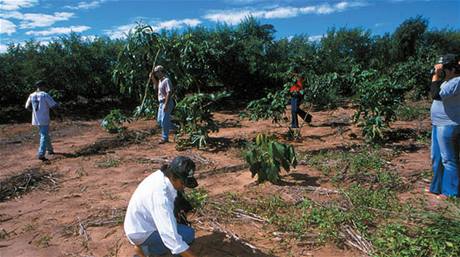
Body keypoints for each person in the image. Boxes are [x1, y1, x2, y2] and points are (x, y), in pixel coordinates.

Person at [124, 156, 199, 257]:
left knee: (185, 232)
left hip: (141, 223)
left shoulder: (162, 175)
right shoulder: (161, 198)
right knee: (186, 236)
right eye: (182, 183)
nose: (183, 186)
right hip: (142, 231)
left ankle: (148, 248)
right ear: (173, 177)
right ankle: (147, 250)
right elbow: (172, 239)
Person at [429, 53, 460, 197]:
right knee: (437, 158)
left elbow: (436, 94)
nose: (443, 71)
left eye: (445, 68)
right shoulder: (448, 80)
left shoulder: (456, 81)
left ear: (453, 69)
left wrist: (435, 75)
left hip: (448, 125)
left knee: (448, 159)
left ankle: (451, 193)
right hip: (437, 124)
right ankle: (437, 188)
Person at [25, 80, 59, 161]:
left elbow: (27, 106)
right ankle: (41, 153)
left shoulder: (31, 95)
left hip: (36, 119)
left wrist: (35, 112)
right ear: (43, 86)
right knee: (44, 135)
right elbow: (53, 106)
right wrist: (58, 114)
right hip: (44, 118)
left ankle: (50, 150)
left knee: (44, 134)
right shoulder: (45, 95)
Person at [149, 65, 174, 144]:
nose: (156, 74)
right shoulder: (160, 81)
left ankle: (165, 137)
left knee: (164, 121)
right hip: (161, 103)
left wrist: (166, 105)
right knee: (160, 121)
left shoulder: (166, 80)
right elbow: (156, 88)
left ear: (161, 71)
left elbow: (169, 93)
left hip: (166, 102)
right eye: (155, 73)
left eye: (157, 72)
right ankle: (175, 127)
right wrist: (152, 78)